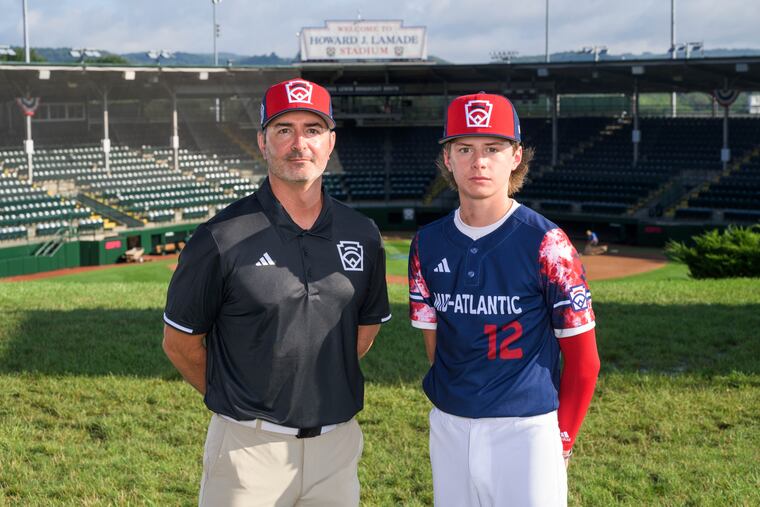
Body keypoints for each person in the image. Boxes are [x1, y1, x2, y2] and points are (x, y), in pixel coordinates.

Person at [162, 78, 391, 506]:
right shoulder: (219, 237)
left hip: (336, 449)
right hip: (248, 449)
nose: (298, 143)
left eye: (313, 130)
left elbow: (364, 329)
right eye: (284, 129)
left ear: (330, 142)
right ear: (263, 142)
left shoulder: (363, 234)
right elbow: (180, 344)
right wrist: (239, 396)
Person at [408, 92, 600, 506]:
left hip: (526, 431)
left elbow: (585, 363)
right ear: (448, 159)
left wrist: (561, 441)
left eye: (493, 148)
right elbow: (436, 348)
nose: (479, 161)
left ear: (515, 157)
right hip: (450, 426)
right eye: (465, 149)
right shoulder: (426, 243)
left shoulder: (549, 244)